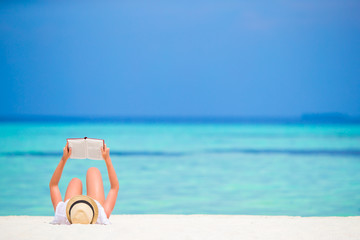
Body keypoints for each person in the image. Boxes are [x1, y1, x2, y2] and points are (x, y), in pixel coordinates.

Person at [49, 142, 119, 224]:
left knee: (75, 181)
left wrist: (64, 159)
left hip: (75, 210)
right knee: (93, 171)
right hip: (77, 208)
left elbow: (53, 185)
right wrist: (107, 159)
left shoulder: (62, 214)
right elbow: (114, 187)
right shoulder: (101, 216)